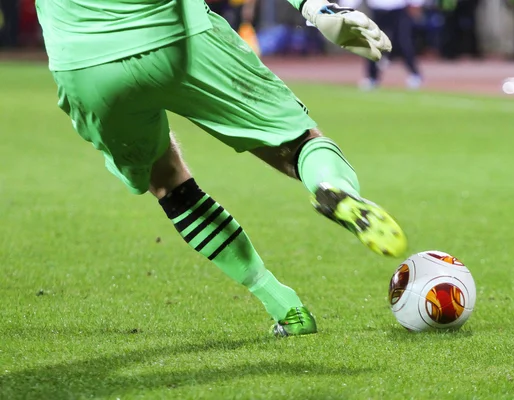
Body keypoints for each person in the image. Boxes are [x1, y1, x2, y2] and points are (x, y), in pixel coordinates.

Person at [35, 0, 406, 337]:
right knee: (299, 143)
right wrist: (318, 9)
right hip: (181, 37)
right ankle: (336, 188)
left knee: (166, 181)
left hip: (81, 61)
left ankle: (285, 306)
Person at [344, 0, 424, 90]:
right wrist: (347, 6)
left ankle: (414, 74)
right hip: (377, 9)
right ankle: (372, 77)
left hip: (398, 9)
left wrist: (416, 4)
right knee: (373, 42)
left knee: (403, 42)